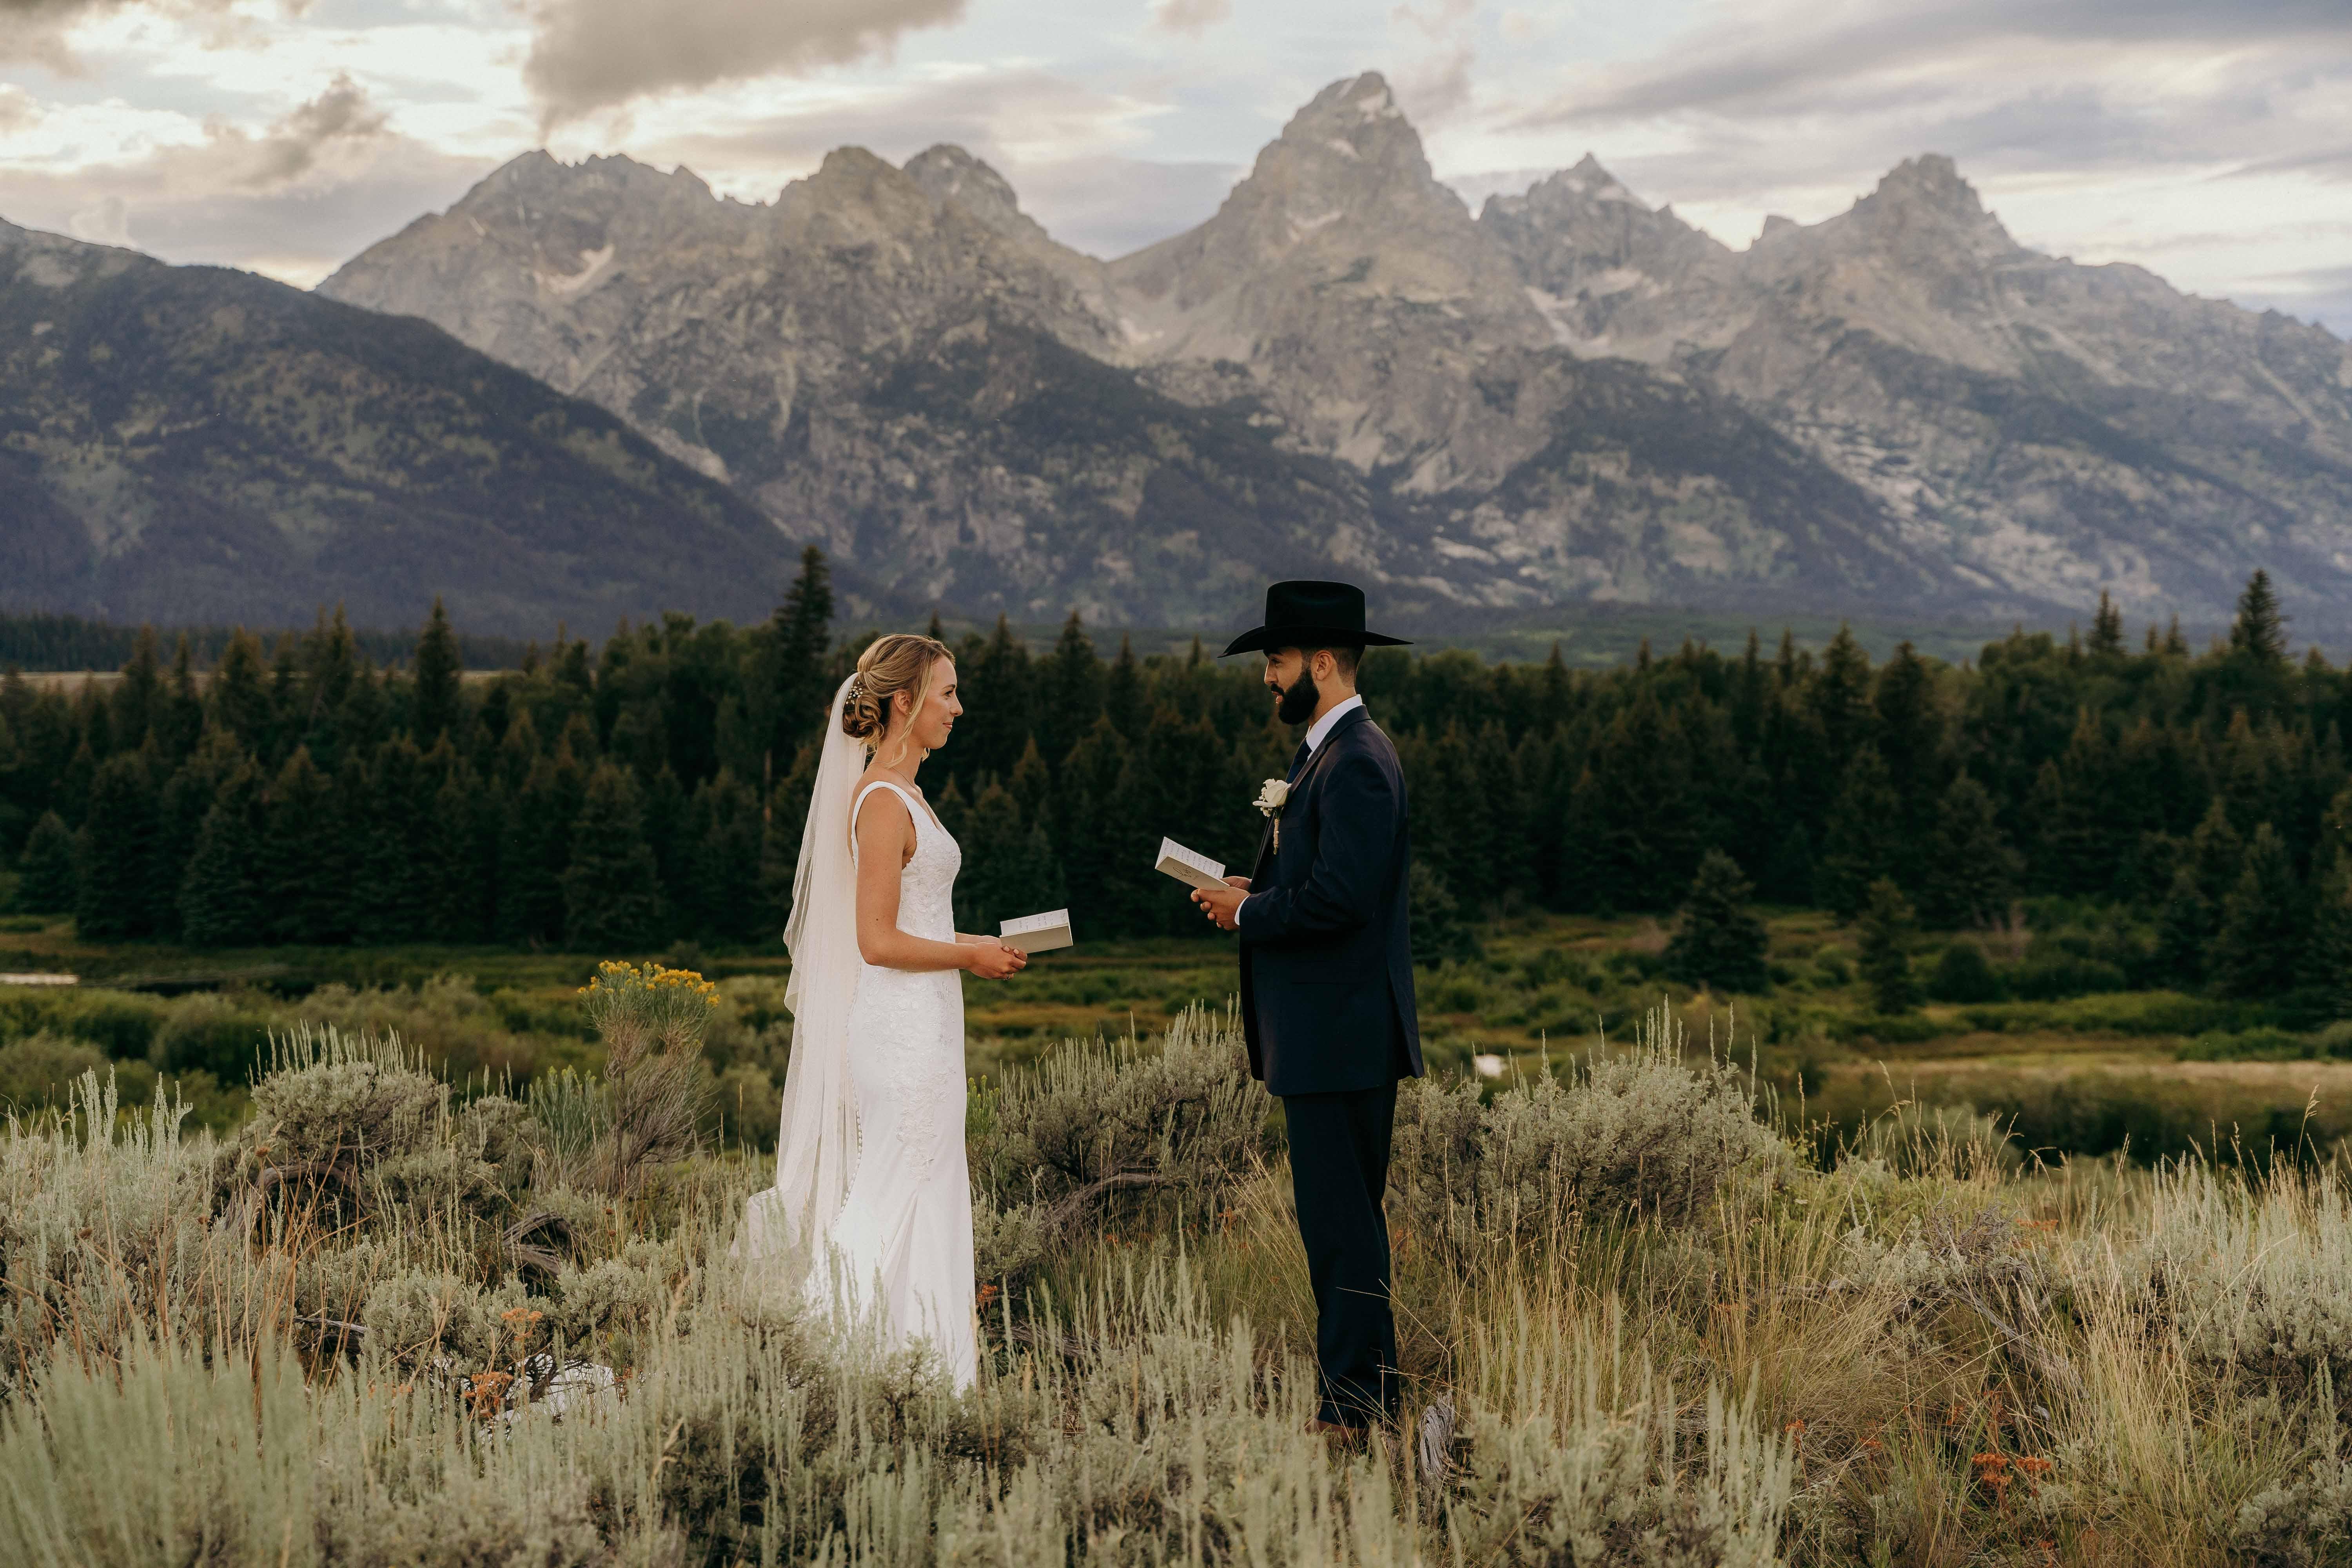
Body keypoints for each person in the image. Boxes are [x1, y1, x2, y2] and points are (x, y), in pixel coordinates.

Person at [738, 632, 1026, 1390]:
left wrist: (979, 943)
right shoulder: (881, 802)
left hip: (925, 1024)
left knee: (926, 1187)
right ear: (905, 702)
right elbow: (876, 940)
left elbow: (917, 920)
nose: (958, 709)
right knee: (898, 1186)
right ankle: (820, 1359)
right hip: (901, 1033)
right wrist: (969, 958)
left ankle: (918, 1371)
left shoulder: (907, 794)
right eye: (948, 694)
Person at [1190, 581, 1424, 1437]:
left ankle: (1355, 1405)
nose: (1268, 676)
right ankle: (1367, 1393)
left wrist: (1249, 913)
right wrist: (1257, 886)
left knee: (1341, 1226)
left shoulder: (1356, 760)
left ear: (1322, 664)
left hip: (1341, 1034)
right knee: (1340, 1221)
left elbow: (1344, 901)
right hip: (1335, 1032)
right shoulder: (1329, 752)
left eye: (1277, 660)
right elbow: (1322, 880)